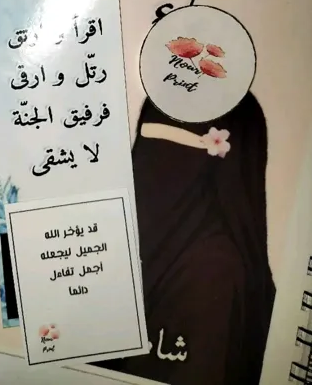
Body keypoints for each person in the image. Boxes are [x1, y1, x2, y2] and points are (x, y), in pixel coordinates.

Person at [95, 92, 275, 385]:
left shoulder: (212, 273)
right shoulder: (136, 252)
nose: (153, 165)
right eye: (148, 144)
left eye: (175, 149)